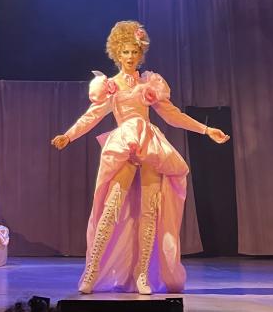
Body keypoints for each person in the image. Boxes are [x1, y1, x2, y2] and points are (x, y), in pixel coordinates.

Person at [51, 20, 230, 295]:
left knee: (150, 210)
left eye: (134, 51)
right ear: (117, 53)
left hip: (149, 145)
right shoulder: (109, 86)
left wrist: (206, 130)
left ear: (140, 53)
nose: (130, 57)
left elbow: (172, 115)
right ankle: (92, 271)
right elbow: (92, 116)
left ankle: (142, 274)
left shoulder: (150, 84)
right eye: (125, 52)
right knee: (111, 207)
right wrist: (69, 135)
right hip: (125, 142)